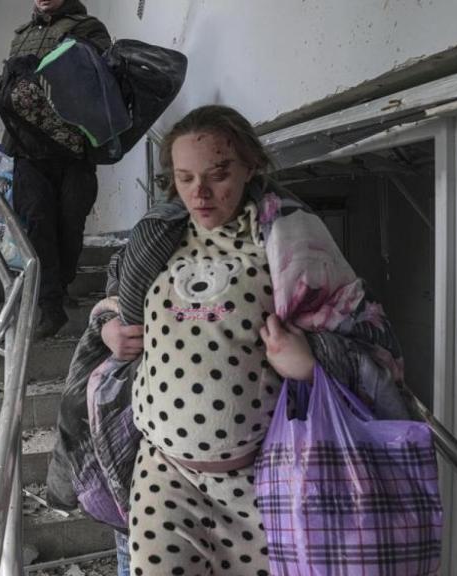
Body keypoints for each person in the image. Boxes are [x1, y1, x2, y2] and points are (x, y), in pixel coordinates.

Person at [93, 106, 411, 576]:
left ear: (250, 167)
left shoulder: (291, 237)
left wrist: (309, 364)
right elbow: (112, 302)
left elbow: (368, 338)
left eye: (218, 174)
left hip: (263, 481)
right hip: (164, 475)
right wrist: (107, 326)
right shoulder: (155, 237)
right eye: (184, 178)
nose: (199, 193)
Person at [6, 0, 111, 339]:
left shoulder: (88, 27)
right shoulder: (20, 35)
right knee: (36, 221)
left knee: (70, 222)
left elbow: (97, 78)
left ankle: (61, 283)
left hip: (73, 146)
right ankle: (49, 306)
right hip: (28, 147)